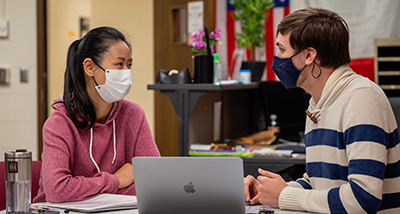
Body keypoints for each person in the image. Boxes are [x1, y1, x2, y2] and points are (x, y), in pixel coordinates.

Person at [244, 8, 400, 213]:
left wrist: (285, 196)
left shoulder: (362, 98)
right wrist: (268, 192)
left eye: (281, 49)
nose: (277, 57)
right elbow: (319, 183)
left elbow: (363, 199)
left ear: (309, 55)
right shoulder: (318, 103)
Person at [34, 27, 160, 203]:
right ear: (90, 67)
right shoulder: (60, 122)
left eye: (129, 65)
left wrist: (84, 188)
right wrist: (116, 181)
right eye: (119, 64)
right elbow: (57, 190)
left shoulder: (134, 115)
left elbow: (154, 181)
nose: (125, 72)